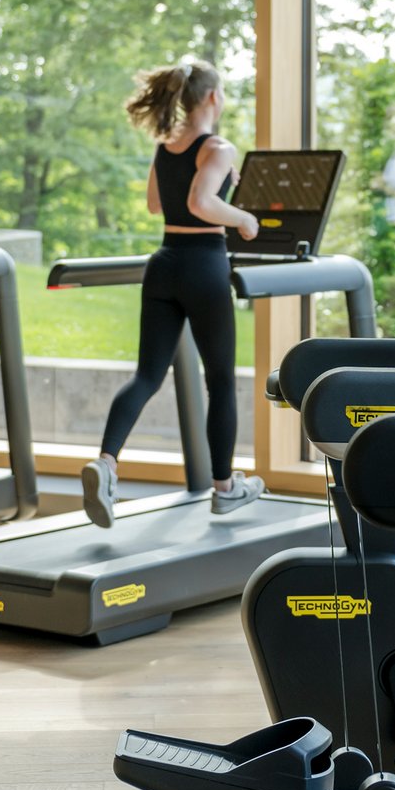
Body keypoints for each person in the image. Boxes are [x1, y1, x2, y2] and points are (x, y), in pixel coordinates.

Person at [83, 60, 265, 528]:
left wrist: (208, 188)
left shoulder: (167, 145)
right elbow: (200, 203)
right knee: (220, 380)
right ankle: (225, 488)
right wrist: (243, 218)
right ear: (212, 97)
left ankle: (105, 463)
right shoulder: (217, 147)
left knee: (147, 375)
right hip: (203, 265)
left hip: (163, 264)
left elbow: (155, 203)